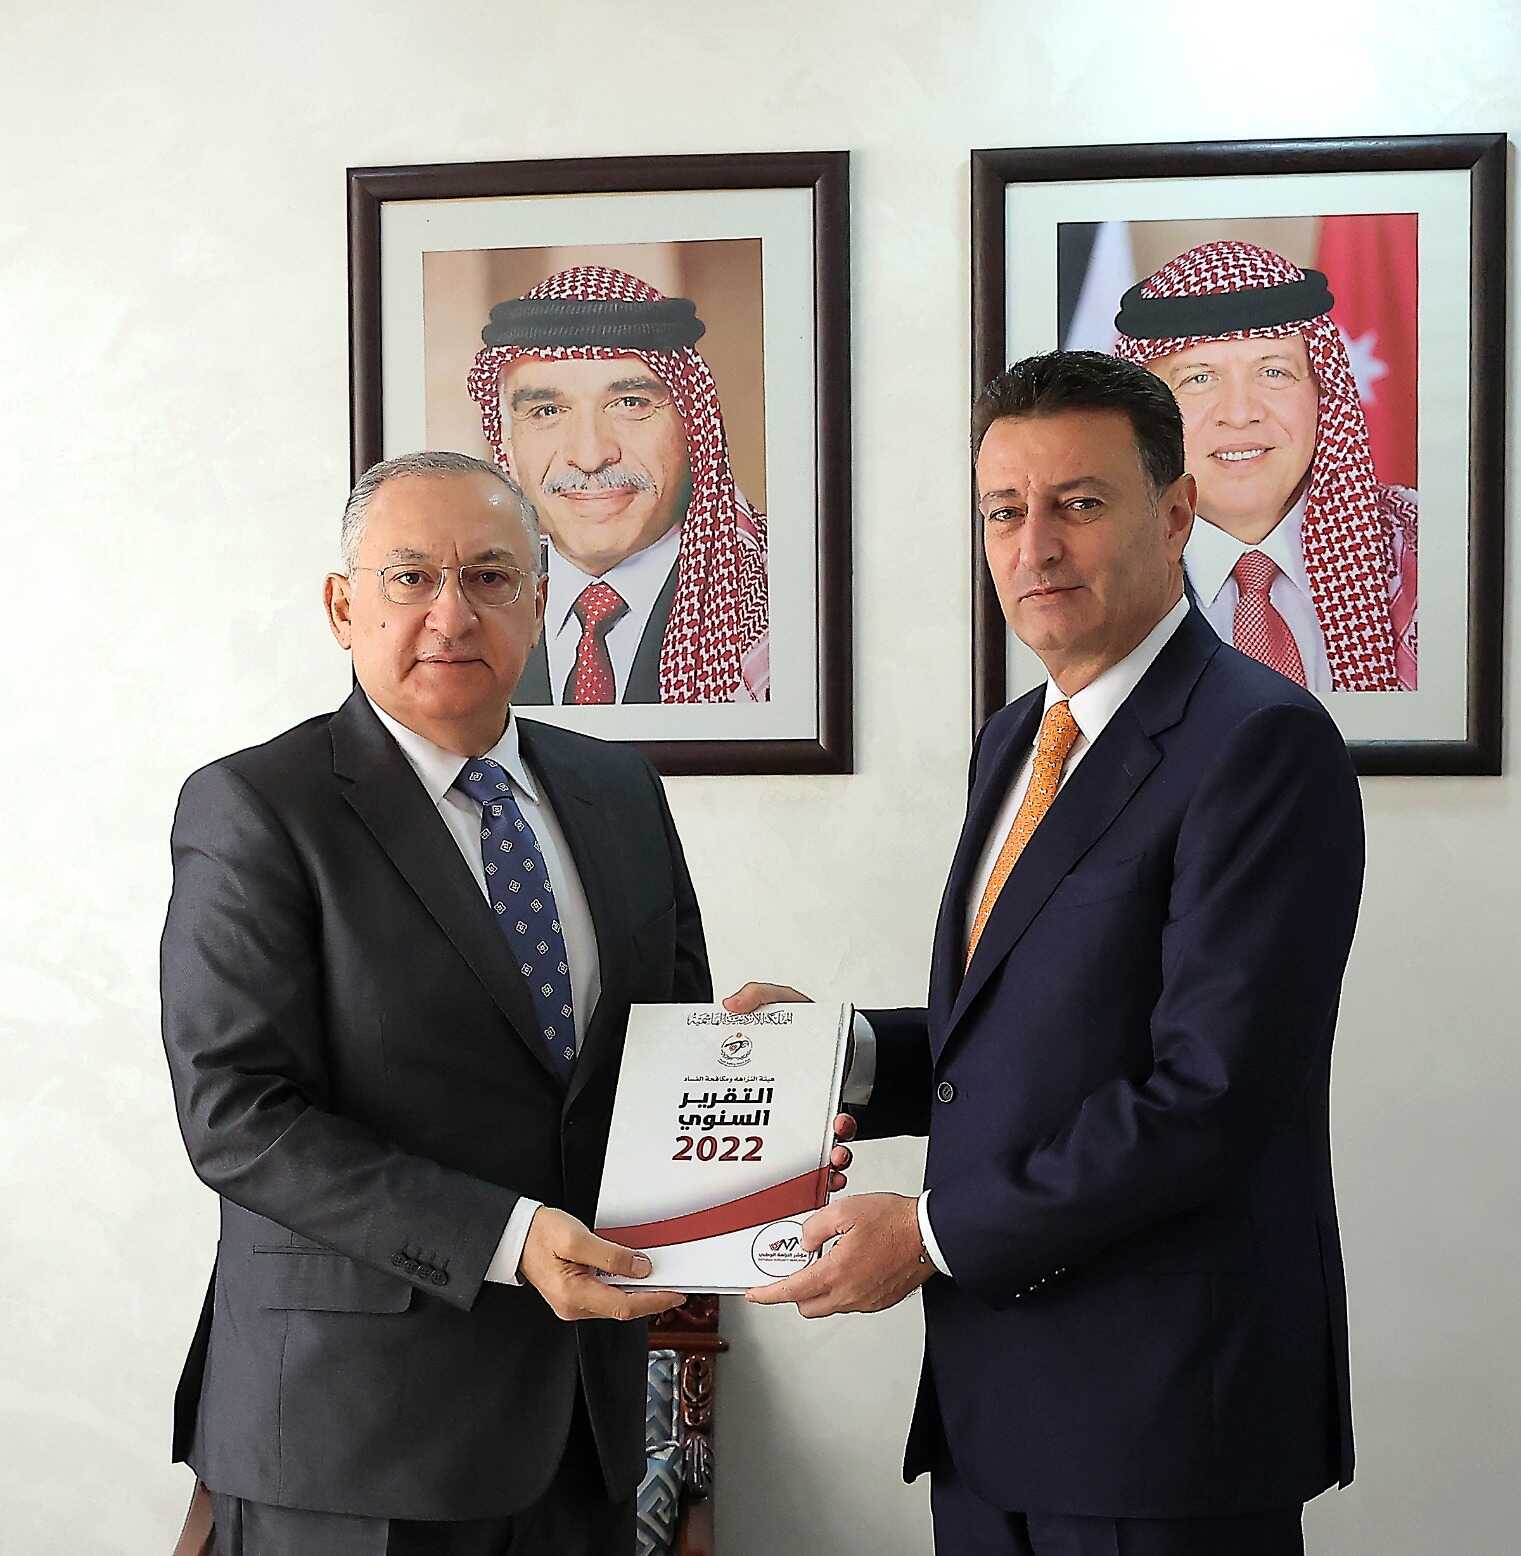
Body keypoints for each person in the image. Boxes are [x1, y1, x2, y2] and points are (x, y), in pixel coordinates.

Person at [731, 352, 1365, 1555]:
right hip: (992, 1417)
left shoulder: (1260, 743)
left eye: (1078, 502)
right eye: (1003, 511)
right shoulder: (1019, 735)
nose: (1035, 547)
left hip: (1165, 1426)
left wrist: (925, 1234)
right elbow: (1025, 1036)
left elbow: (1209, 1094)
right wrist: (837, 1054)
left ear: (1174, 513)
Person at [160, 450, 708, 1555]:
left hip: (583, 1427)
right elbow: (238, 1115)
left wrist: (762, 1069)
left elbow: (667, 1055)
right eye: (410, 577)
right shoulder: (257, 807)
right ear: (342, 606)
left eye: (492, 577)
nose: (452, 613)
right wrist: (508, 1236)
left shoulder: (620, 789)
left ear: (541, 603)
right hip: (352, 1436)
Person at [1113, 239, 1418, 692]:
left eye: (1274, 372)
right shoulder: (1091, 571)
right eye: (1199, 378)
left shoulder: (1424, 551)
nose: (1240, 413)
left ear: (1322, 392)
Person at [467, 264, 769, 707]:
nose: (591, 456)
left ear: (692, 427)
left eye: (630, 403)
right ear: (507, 447)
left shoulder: (782, 604)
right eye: (547, 411)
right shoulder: (460, 608)